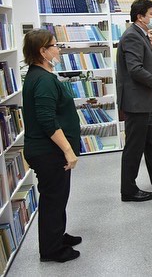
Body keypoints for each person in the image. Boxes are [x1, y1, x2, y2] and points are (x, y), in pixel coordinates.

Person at [22, 29, 81, 262]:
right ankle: (52, 250)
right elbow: (47, 120)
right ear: (42, 51)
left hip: (48, 151)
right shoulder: (43, 80)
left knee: (57, 197)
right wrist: (68, 150)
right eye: (55, 45)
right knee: (53, 199)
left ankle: (56, 236)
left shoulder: (40, 74)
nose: (58, 49)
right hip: (49, 153)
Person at [117, 0, 152, 202]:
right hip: (137, 103)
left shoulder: (141, 34)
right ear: (140, 16)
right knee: (134, 147)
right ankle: (128, 190)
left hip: (146, 101)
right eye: (151, 14)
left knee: (151, 143)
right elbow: (135, 69)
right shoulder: (132, 36)